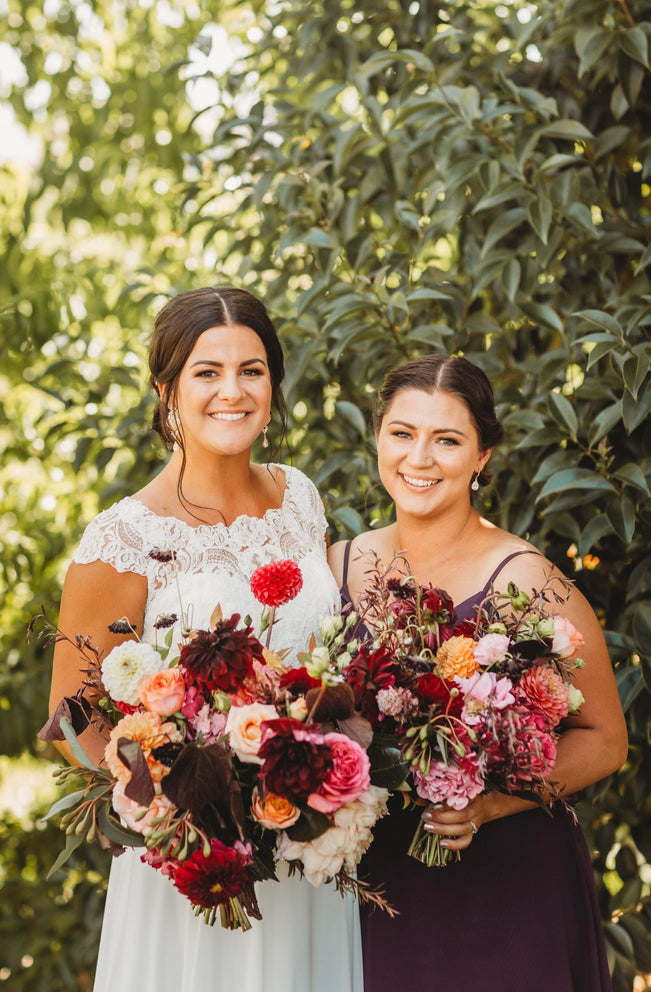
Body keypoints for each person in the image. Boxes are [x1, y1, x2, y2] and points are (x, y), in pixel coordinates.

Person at [49, 287, 362, 992]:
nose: (233, 390)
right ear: (166, 391)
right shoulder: (122, 539)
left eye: (252, 370)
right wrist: (166, 806)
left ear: (274, 385)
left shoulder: (300, 499)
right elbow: (73, 719)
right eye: (206, 371)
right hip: (196, 866)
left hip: (308, 850)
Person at [328, 353, 627, 992]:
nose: (419, 458)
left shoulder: (529, 581)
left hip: (508, 888)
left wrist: (487, 804)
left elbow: (606, 739)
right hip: (378, 882)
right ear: (378, 437)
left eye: (448, 440)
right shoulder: (334, 567)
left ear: (483, 456)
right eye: (403, 434)